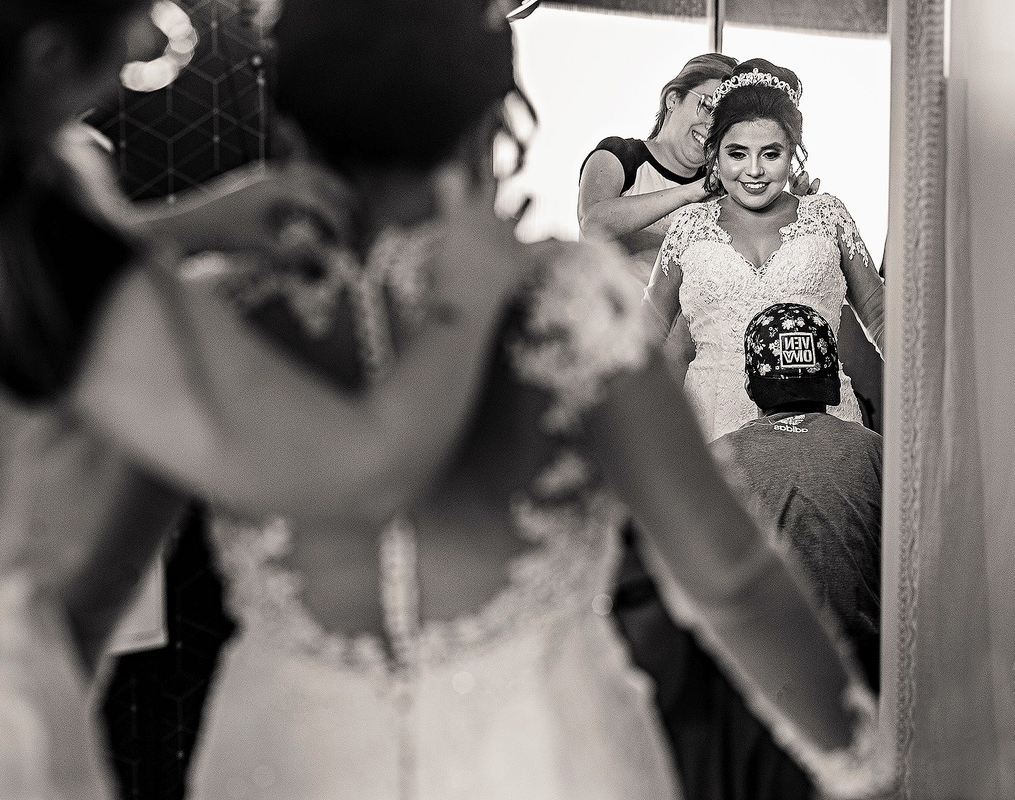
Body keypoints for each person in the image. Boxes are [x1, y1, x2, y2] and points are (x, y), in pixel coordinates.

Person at [0, 1, 524, 797]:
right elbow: (363, 472)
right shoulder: (38, 245)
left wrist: (184, 227)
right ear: (45, 59)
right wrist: (469, 296)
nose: (150, 42)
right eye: (130, 19)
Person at [178, 3, 887, 798]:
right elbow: (731, 578)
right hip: (548, 761)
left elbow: (87, 583)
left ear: (289, 123)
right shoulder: (567, 306)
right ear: (493, 119)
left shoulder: (214, 315)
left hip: (284, 762)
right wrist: (861, 767)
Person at [644, 58, 885, 443]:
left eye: (770, 154)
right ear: (714, 154)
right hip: (713, 427)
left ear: (792, 152)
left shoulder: (828, 217)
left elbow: (881, 316)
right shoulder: (688, 227)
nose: (754, 170)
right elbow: (644, 336)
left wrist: (926, 396)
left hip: (822, 429)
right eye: (737, 154)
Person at [714, 302, 881, 692]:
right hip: (869, 671)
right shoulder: (874, 450)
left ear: (751, 386)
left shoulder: (717, 459)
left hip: (764, 680)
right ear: (831, 380)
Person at [578, 53, 737, 289]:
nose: (712, 128)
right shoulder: (620, 156)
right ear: (673, 98)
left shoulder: (722, 196)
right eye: (708, 107)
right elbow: (593, 223)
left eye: (724, 123)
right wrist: (691, 192)